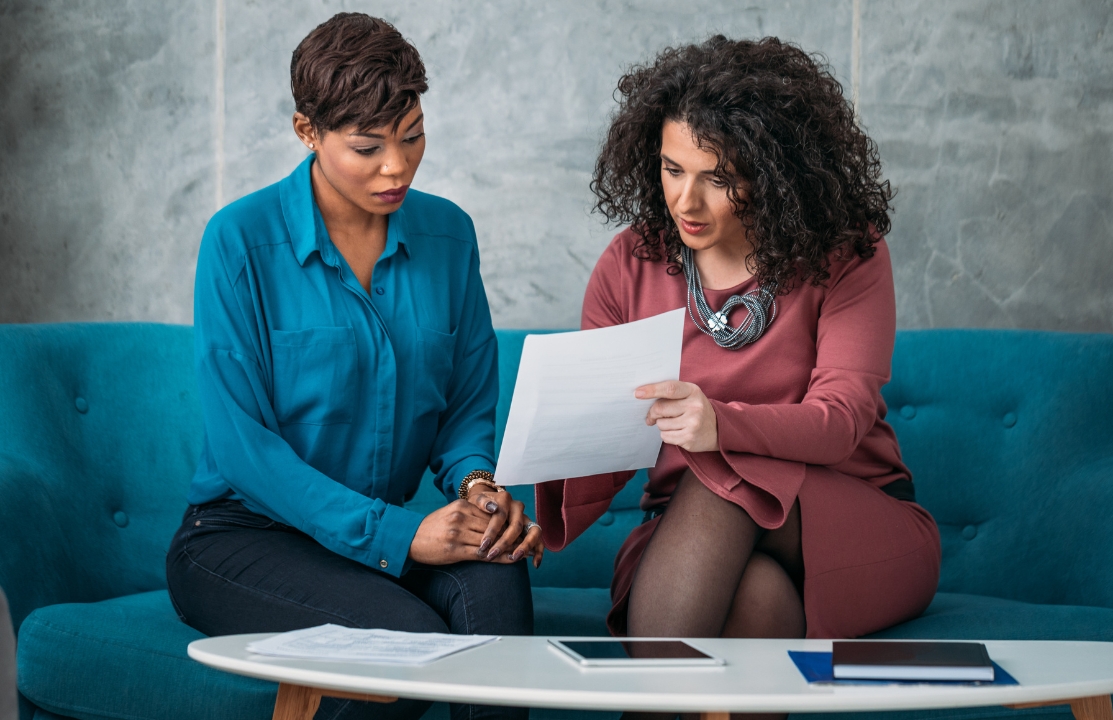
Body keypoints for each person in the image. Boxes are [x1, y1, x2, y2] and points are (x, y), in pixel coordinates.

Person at [536, 36, 942, 720]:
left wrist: (719, 423)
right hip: (693, 539)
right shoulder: (630, 263)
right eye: (671, 170)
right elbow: (604, 442)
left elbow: (842, 420)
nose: (685, 200)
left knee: (721, 474)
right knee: (758, 602)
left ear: (775, 171)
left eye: (719, 177)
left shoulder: (847, 252)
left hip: (851, 522)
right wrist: (528, 492)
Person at [166, 13, 541, 720]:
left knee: (497, 581)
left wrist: (477, 486)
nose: (396, 167)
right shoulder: (238, 242)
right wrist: (402, 536)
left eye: (413, 136)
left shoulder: (449, 235)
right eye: (367, 147)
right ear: (308, 131)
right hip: (240, 539)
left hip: (368, 542)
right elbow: (246, 451)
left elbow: (463, 408)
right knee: (407, 647)